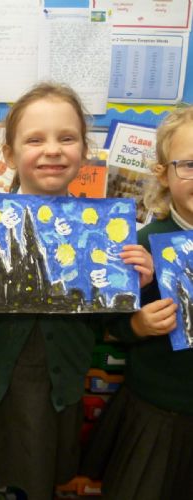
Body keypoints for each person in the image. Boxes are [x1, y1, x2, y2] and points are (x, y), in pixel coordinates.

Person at [0, 82, 153, 500]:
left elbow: (114, 322)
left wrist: (134, 284)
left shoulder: (104, 232)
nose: (52, 150)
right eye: (34, 140)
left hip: (59, 393)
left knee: (42, 480)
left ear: (84, 150)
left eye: (66, 138)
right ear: (9, 155)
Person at [81, 106, 193, 500]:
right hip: (158, 411)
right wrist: (139, 325)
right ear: (163, 173)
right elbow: (110, 325)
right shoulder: (142, 245)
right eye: (190, 165)